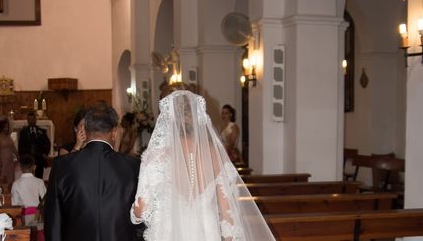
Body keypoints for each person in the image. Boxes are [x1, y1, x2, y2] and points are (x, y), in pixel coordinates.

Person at [131, 90, 275, 240]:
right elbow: (229, 216)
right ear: (198, 119)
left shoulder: (156, 157)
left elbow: (141, 211)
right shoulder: (216, 157)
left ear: (168, 120)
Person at [44, 103, 142, 241]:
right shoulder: (133, 166)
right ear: (114, 133)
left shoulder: (62, 164)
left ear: (84, 129)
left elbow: (53, 220)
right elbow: (141, 218)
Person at [12, 154, 47, 226]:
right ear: (34, 167)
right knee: (39, 235)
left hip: (23, 215)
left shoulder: (16, 184)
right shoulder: (39, 181)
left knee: (26, 236)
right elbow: (45, 199)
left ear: (21, 168)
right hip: (38, 214)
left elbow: (14, 204)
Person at [18, 111, 51, 179]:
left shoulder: (41, 131)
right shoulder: (23, 132)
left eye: (32, 119)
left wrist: (45, 153)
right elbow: (20, 145)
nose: (31, 121)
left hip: (39, 158)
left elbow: (48, 143)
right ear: (27, 120)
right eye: (29, 119)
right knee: (28, 177)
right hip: (28, 159)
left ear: (35, 120)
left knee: (39, 177)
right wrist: (23, 157)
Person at [0, 118, 18, 185]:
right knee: (3, 175)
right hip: (3, 159)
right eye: (5, 127)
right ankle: (4, 190)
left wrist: (18, 155)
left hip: (10, 159)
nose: (6, 128)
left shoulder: (8, 136)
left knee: (11, 175)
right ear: (1, 127)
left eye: (7, 127)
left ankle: (10, 189)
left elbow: (13, 147)